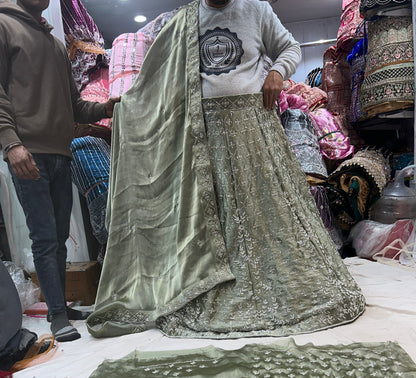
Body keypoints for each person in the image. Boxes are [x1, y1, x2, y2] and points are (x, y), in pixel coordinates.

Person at [87, 0, 365, 338]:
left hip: (253, 125)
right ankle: (219, 280)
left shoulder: (256, 9)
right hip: (204, 136)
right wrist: (127, 106)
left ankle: (271, 280)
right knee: (213, 213)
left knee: (266, 208)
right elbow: (156, 79)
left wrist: (277, 73)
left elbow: (289, 47)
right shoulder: (182, 22)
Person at [0, 0, 120, 342]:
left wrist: (107, 107)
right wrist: (11, 143)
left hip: (60, 152)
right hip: (27, 151)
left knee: (58, 238)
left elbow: (75, 106)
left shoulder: (55, 44)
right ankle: (55, 315)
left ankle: (61, 306)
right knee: (44, 237)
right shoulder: (4, 27)